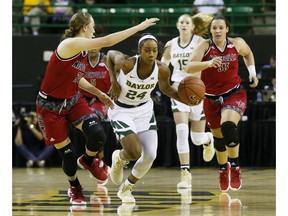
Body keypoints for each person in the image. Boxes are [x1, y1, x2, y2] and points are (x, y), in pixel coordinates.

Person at [35, 10, 159, 205]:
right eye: (93, 26)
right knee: (67, 155)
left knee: (98, 135)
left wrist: (99, 93)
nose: (94, 30)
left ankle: (88, 159)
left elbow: (77, 78)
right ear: (85, 28)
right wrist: (139, 28)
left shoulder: (83, 50)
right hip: (50, 106)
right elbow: (108, 42)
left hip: (73, 100)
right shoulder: (69, 44)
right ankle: (75, 187)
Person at [107, 33, 189, 203]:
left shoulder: (162, 69)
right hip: (121, 110)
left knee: (150, 155)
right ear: (139, 51)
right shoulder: (127, 63)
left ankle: (127, 188)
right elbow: (108, 55)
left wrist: (188, 100)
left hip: (144, 110)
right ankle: (120, 158)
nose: (151, 54)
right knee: (134, 152)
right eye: (147, 50)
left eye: (154, 51)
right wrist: (113, 81)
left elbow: (167, 90)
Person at [184, 15, 259, 192]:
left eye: (220, 27)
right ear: (210, 30)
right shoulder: (204, 46)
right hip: (210, 98)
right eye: (214, 28)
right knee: (218, 139)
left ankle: (235, 167)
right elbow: (189, 67)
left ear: (227, 29)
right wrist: (208, 63)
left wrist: (252, 72)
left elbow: (248, 53)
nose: (217, 30)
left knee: (228, 127)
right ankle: (223, 169)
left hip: (234, 94)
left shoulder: (237, 43)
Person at [160, 13, 215, 189]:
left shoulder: (201, 42)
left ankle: (208, 140)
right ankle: (185, 173)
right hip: (178, 89)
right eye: (181, 21)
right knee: (182, 131)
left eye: (187, 22)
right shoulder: (171, 45)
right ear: (177, 25)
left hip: (198, 88)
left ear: (192, 27)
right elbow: (162, 67)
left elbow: (209, 64)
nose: (184, 24)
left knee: (197, 138)